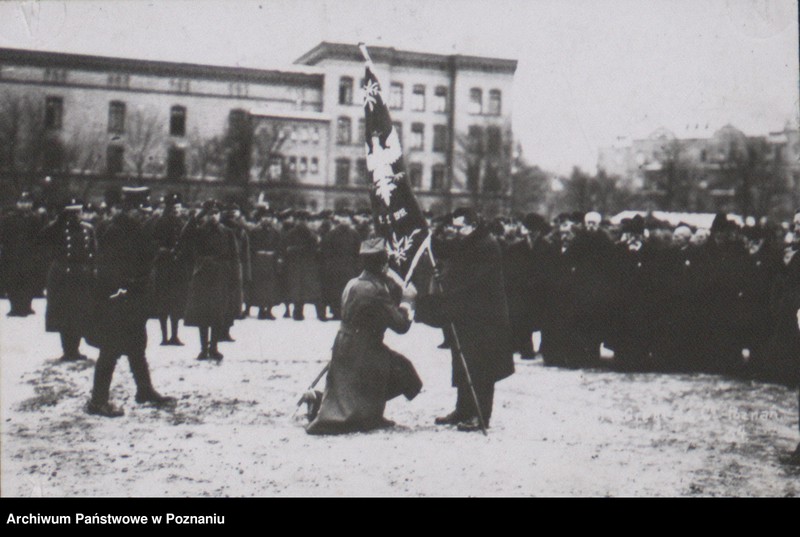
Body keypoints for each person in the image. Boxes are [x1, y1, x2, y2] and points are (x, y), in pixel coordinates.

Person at [305, 237, 422, 435]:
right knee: (405, 374)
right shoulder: (375, 290)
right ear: (384, 264)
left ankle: (324, 401)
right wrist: (408, 301)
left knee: (353, 387)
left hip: (345, 344)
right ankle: (365, 413)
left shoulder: (355, 283)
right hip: (365, 349)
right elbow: (401, 326)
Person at [86, 187, 175, 417]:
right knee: (111, 349)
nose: (145, 214)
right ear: (131, 209)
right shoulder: (116, 230)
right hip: (119, 298)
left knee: (137, 346)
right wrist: (122, 287)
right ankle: (98, 401)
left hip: (133, 298)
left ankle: (144, 391)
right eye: (141, 210)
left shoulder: (134, 229)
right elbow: (107, 266)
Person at [430, 207, 514, 432]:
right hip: (468, 316)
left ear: (473, 225)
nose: (457, 232)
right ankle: (463, 410)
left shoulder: (486, 245)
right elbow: (446, 251)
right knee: (463, 363)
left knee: (482, 368)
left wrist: (447, 286)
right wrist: (427, 237)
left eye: (461, 228)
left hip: (485, 319)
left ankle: (480, 416)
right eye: (455, 227)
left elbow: (473, 282)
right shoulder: (470, 242)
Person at [179, 199, 240, 361]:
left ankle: (214, 347)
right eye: (210, 213)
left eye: (216, 213)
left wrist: (235, 278)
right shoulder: (199, 231)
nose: (213, 217)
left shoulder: (227, 232)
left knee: (217, 313)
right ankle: (203, 348)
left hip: (221, 275)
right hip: (203, 275)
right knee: (203, 314)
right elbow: (184, 235)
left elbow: (234, 257)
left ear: (220, 215)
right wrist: (198, 216)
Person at [36, 199, 97, 361]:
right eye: (73, 213)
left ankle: (75, 349)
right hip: (63, 275)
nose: (77, 215)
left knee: (79, 313)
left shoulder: (88, 229)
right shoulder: (58, 228)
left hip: (82, 275)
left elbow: (93, 251)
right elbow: (41, 239)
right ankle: (67, 350)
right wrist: (58, 221)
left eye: (79, 212)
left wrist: (93, 271)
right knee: (64, 314)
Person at [0, 192, 46, 316]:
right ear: (17, 204)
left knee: (28, 281)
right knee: (13, 281)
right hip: (12, 255)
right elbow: (3, 237)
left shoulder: (35, 219)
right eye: (22, 202)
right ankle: (14, 307)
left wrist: (37, 254)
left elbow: (39, 238)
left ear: (31, 204)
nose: (24, 205)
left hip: (29, 255)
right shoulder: (8, 218)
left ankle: (26, 306)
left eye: (27, 202)